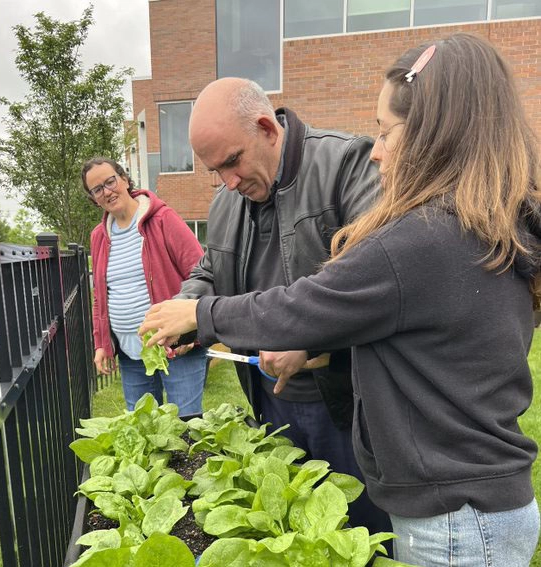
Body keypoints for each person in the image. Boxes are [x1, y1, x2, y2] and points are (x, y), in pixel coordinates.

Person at [141, 33, 541, 566]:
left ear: (433, 133)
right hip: (472, 501)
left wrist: (199, 313)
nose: (375, 149)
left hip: (455, 517)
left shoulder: (419, 239)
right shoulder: (476, 222)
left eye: (385, 131)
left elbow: (306, 305)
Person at [174, 77, 392, 536]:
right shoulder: (226, 200)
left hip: (346, 403)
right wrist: (185, 305)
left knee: (359, 532)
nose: (227, 182)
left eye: (232, 161)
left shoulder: (347, 163)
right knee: (289, 535)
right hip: (268, 398)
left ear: (267, 129)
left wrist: (308, 338)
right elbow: (211, 269)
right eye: (215, 170)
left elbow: (368, 280)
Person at [83, 157, 207, 416]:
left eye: (110, 181)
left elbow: (201, 272)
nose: (107, 192)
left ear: (125, 180)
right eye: (97, 189)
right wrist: (101, 343)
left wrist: (189, 333)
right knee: (142, 431)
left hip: (175, 348)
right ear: (93, 198)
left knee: (185, 428)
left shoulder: (163, 219)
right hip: (131, 354)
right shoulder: (99, 236)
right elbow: (100, 297)